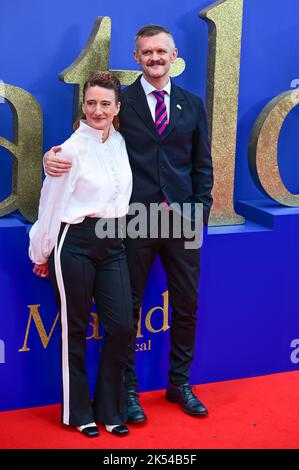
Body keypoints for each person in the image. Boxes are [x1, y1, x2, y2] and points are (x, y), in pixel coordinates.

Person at [44, 25, 213, 424]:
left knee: (186, 305)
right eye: (146, 53)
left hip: (181, 223)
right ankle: (129, 390)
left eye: (161, 51)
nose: (154, 58)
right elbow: (88, 139)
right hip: (133, 223)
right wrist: (51, 161)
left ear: (173, 55)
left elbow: (203, 164)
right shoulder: (121, 102)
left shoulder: (192, 103)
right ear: (135, 58)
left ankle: (180, 384)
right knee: (128, 311)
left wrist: (198, 213)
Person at [29, 71, 133, 437]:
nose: (98, 110)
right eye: (91, 103)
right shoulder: (69, 150)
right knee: (74, 331)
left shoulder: (119, 142)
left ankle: (109, 407)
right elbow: (50, 205)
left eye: (106, 104)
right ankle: (78, 413)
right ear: (83, 106)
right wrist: (42, 253)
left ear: (117, 107)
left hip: (113, 242)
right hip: (74, 243)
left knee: (121, 326)